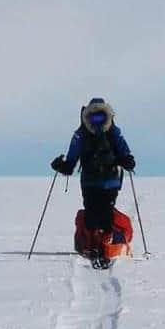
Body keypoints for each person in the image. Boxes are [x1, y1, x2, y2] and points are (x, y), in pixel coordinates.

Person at [50, 98, 136, 234]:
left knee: (106, 214)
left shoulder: (113, 132)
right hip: (91, 182)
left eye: (100, 117)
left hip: (109, 182)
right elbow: (71, 161)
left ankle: (104, 240)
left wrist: (127, 161)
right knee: (91, 215)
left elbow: (124, 152)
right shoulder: (81, 135)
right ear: (88, 117)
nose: (97, 121)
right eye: (94, 118)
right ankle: (94, 241)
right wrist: (62, 166)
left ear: (106, 116)